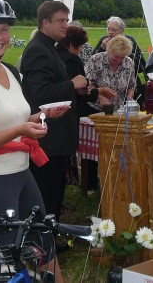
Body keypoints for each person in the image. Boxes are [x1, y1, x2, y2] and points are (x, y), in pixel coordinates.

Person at [0, 0, 69, 282]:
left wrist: (42, 117)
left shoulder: (11, 72)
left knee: (45, 248)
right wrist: (20, 129)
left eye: (4, 30)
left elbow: (16, 120)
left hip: (22, 174)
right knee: (4, 265)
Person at [20, 1, 88, 225]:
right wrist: (72, 83)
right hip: (48, 138)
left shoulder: (51, 47)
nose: (65, 26)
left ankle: (49, 235)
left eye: (67, 21)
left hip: (56, 138)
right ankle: (42, 242)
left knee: (54, 192)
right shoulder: (38, 50)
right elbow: (40, 93)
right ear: (45, 22)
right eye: (60, 21)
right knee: (46, 193)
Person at [57, 26, 116, 192]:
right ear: (73, 45)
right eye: (80, 46)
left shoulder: (56, 56)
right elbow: (82, 91)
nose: (81, 50)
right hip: (69, 113)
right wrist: (100, 91)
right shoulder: (72, 60)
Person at [92, 17, 146, 104]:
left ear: (121, 31)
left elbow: (141, 64)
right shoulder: (104, 40)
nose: (110, 32)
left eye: (114, 30)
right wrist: (102, 48)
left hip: (126, 85)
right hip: (102, 92)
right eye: (108, 29)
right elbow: (92, 62)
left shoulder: (130, 41)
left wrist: (123, 54)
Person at [85, 35, 136, 112]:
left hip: (119, 109)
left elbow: (131, 85)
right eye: (116, 56)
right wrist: (101, 97)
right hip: (95, 108)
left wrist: (129, 99)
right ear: (109, 51)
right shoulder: (96, 60)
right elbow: (88, 83)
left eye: (122, 57)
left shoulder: (129, 63)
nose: (119, 60)